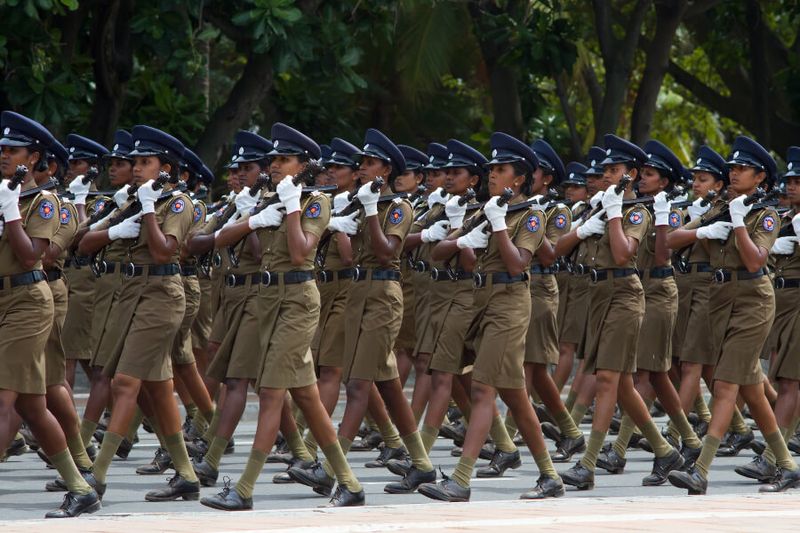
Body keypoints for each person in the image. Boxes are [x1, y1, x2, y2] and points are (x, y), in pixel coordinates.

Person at [200, 122, 363, 509]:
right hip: (267, 298)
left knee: (272, 391)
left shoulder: (317, 201)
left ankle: (243, 489)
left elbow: (298, 251)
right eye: (273, 159)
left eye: (284, 159)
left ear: (304, 165)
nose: (274, 165)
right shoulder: (270, 197)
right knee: (305, 395)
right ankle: (350, 483)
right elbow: (221, 239)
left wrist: (291, 208)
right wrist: (254, 219)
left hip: (297, 299)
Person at [289, 128, 437, 497]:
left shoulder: (399, 207)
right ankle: (421, 464)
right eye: (362, 164)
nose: (362, 169)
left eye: (370, 164)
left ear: (386, 170)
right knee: (387, 386)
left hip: (383, 295)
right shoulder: (359, 202)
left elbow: (387, 251)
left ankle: (330, 468)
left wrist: (370, 211)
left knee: (357, 385)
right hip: (357, 294)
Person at [417, 132, 564, 502]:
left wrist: (497, 227)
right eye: (492, 169)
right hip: (481, 300)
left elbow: (518, 264)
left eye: (501, 169)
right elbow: (439, 252)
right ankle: (550, 476)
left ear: (519, 178)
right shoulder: (488, 209)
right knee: (514, 394)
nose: (493, 175)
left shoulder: (531, 215)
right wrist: (463, 238)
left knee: (483, 388)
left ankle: (461, 480)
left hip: (510, 303)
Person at [667, 136, 800, 494]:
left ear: (760, 177)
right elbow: (668, 241)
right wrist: (702, 229)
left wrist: (740, 223)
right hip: (720, 297)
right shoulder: (722, 208)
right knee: (752, 389)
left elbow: (756, 259)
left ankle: (701, 469)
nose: (734, 173)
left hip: (753, 300)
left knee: (726, 384)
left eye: (742, 169)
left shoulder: (766, 214)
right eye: (732, 168)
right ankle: (786, 465)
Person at [77, 124, 200, 501]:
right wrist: (120, 221)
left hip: (162, 294)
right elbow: (82, 243)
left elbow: (165, 251)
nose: (136, 169)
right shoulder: (133, 199)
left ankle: (95, 476)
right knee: (158, 389)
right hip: (132, 294)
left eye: (145, 162)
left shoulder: (177, 203)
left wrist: (147, 210)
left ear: (166, 169)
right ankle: (187, 475)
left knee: (124, 383)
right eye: (136, 162)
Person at [557, 134, 684, 491]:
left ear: (630, 175)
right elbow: (554, 251)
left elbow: (624, 253)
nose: (608, 174)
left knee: (609, 380)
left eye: (615, 169)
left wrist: (613, 214)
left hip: (625, 295)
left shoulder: (636, 212)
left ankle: (589, 462)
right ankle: (665, 451)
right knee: (624, 383)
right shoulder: (599, 208)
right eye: (607, 169)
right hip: (598, 296)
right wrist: (584, 226)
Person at [0, 110, 101, 517]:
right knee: (31, 406)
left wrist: (10, 212)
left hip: (27, 302)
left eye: (13, 150)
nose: (4, 155)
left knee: (4, 399)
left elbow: (31, 258)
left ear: (34, 157)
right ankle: (80, 488)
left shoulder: (44, 204)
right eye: (1, 149)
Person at [595, 140, 702, 480]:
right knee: (652, 373)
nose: (643, 180)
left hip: (658, 288)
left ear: (665, 183)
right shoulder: (631, 204)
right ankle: (685, 439)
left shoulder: (662, 209)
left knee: (642, 373)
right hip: (640, 289)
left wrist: (660, 218)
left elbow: (660, 256)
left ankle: (621, 448)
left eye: (651, 175)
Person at [736, 147, 800, 483]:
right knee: (781, 378)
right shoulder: (787, 218)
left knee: (789, 381)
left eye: (798, 181)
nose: (791, 186)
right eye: (789, 180)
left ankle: (774, 458)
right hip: (783, 300)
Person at [77, 130, 138, 460]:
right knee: (117, 375)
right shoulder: (120, 202)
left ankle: (81, 449)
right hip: (109, 288)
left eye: (122, 163)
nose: (112, 169)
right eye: (110, 164)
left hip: (132, 290)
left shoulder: (153, 204)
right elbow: (81, 241)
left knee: (110, 374)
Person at [61, 134, 109, 388]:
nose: (69, 169)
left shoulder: (101, 203)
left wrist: (80, 201)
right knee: (84, 359)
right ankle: (117, 414)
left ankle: (64, 426)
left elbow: (82, 240)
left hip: (85, 283)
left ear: (92, 170)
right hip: (67, 279)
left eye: (76, 163)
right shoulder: (65, 199)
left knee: (69, 356)